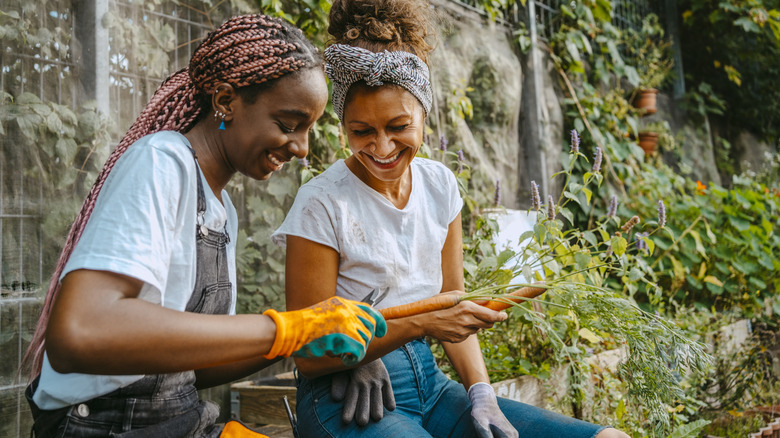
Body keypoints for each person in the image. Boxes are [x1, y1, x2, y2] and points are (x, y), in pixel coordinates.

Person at [272, 1, 631, 437]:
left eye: (399, 125)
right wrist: (387, 340)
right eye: (361, 131)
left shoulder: (440, 186)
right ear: (343, 126)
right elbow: (309, 352)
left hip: (433, 386)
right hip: (346, 398)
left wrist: (481, 392)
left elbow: (452, 302)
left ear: (425, 113)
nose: (382, 147)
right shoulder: (322, 203)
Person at [20, 14, 387, 438]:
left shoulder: (219, 207)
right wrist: (286, 329)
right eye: (288, 125)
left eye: (307, 130)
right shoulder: (161, 162)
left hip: (180, 421)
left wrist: (301, 333)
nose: (301, 148)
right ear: (227, 101)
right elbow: (80, 333)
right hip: (103, 425)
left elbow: (196, 366)